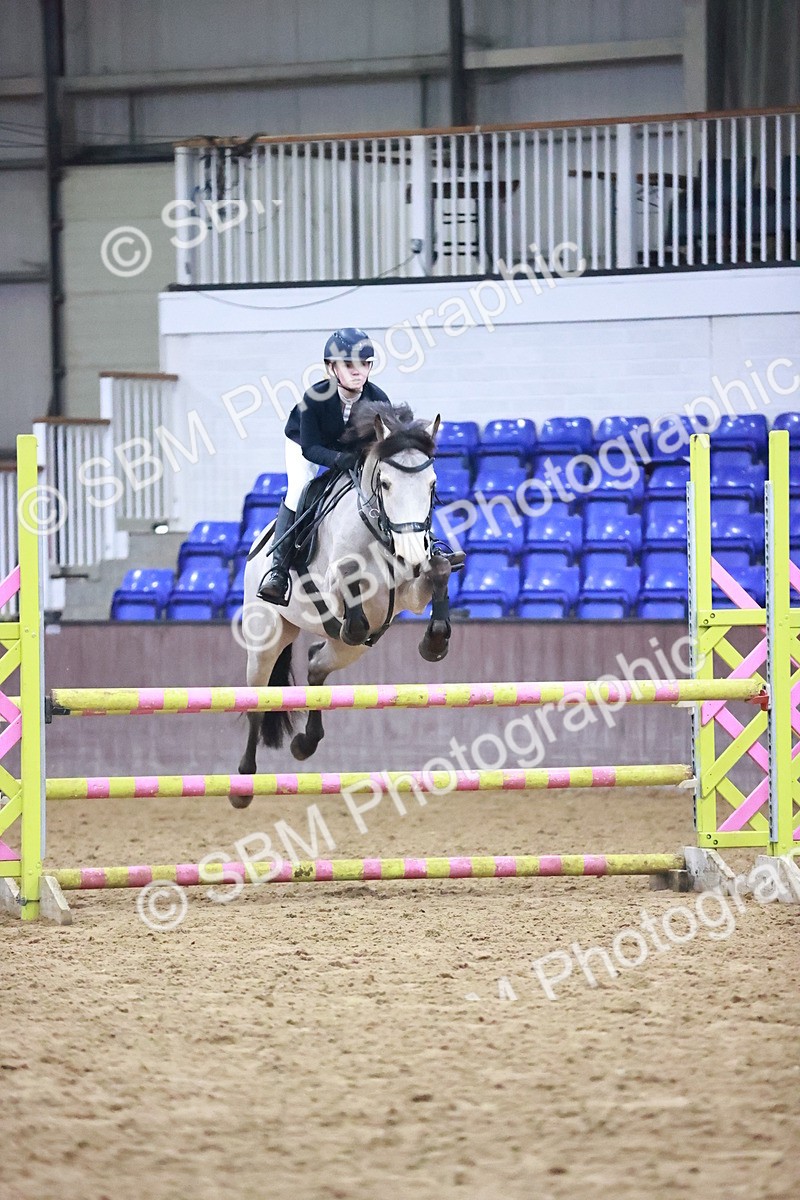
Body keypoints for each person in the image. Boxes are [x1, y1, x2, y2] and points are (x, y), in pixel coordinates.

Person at [257, 327, 391, 605]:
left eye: (365, 364)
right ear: (331, 368)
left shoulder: (378, 400)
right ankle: (277, 572)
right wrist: (339, 460)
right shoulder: (313, 399)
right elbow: (310, 448)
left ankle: (424, 547)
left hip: (350, 451)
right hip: (306, 445)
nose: (358, 371)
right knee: (299, 488)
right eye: (349, 365)